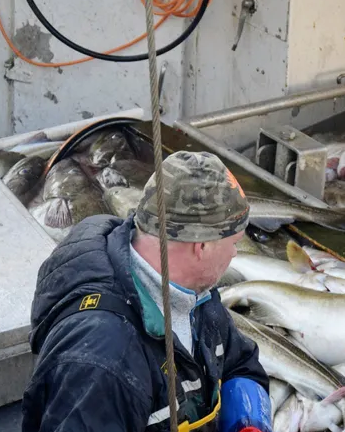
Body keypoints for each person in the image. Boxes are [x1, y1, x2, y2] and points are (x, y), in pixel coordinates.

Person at [22, 150, 272, 432]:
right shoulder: (101, 364)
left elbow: (240, 362)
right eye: (234, 241)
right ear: (202, 246)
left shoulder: (195, 295)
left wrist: (248, 421)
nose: (236, 252)